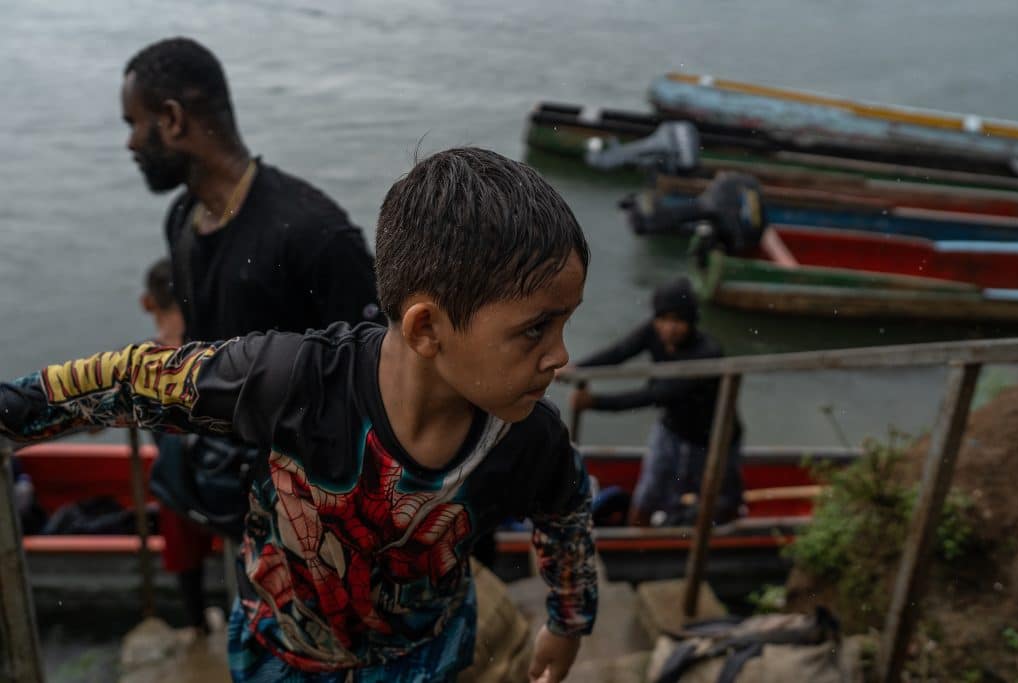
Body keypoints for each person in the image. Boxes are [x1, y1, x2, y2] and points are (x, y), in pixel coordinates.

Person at [0, 148, 597, 682]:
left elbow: (565, 510)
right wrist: (11, 414)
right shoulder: (294, 383)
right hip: (279, 654)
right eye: (537, 329)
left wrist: (568, 622)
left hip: (428, 656)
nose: (560, 357)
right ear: (426, 328)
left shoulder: (528, 439)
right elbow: (130, 380)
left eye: (564, 323)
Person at [121, 36, 380, 341]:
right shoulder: (182, 219)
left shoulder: (315, 235)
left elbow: (378, 368)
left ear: (173, 119)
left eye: (133, 123)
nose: (131, 143)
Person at [567, 276, 745, 527]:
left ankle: (720, 537)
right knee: (648, 493)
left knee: (720, 501)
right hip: (671, 430)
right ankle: (634, 541)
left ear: (692, 321)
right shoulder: (653, 332)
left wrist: (595, 402)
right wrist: (578, 368)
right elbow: (619, 352)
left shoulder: (707, 354)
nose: (669, 328)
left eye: (678, 320)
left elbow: (655, 395)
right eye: (663, 319)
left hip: (714, 441)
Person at [141, 257, 218, 635]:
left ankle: (198, 626)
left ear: (147, 303)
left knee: (186, 563)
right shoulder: (213, 348)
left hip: (176, 485)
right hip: (222, 473)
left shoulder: (143, 363)